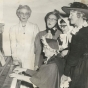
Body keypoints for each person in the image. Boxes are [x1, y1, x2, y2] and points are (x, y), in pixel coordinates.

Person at [61, 2, 88, 88]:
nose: (69, 17)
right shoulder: (84, 30)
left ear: (80, 15)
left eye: (72, 14)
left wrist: (65, 74)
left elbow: (74, 56)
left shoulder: (81, 33)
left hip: (81, 67)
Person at [9, 5, 39, 70]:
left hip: (31, 58)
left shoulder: (34, 27)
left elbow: (37, 45)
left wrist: (37, 62)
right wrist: (15, 58)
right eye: (21, 13)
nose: (24, 15)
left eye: (26, 13)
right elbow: (13, 44)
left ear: (29, 15)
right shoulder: (13, 28)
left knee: (29, 77)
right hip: (18, 59)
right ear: (18, 15)